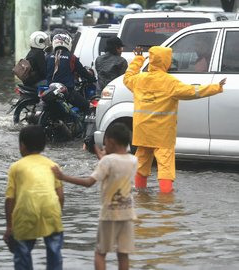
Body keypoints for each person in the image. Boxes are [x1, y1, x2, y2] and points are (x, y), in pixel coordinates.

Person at [123, 46, 226, 193]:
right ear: (166, 61)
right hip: (162, 133)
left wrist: (138, 59)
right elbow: (193, 92)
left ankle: (140, 194)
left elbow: (127, 77)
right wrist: (216, 87)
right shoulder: (170, 82)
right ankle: (166, 200)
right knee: (165, 166)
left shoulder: (139, 80)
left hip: (142, 131)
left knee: (141, 161)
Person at [51, 122, 137, 270]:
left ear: (111, 141)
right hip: (128, 213)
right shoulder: (133, 160)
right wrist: (102, 159)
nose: (104, 147)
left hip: (109, 214)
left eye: (105, 143)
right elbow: (114, 170)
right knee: (123, 254)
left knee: (100, 253)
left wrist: (63, 177)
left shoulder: (107, 161)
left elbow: (89, 182)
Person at [3, 125, 65, 270]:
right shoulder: (53, 165)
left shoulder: (16, 167)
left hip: (26, 210)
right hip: (51, 209)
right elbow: (60, 196)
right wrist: (57, 214)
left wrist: (9, 226)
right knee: (54, 250)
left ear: (22, 146)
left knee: (22, 251)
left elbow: (10, 199)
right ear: (44, 145)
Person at [46, 32, 96, 113]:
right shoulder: (72, 57)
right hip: (67, 91)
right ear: (68, 43)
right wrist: (92, 78)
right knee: (86, 106)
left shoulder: (48, 57)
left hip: (49, 90)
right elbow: (82, 71)